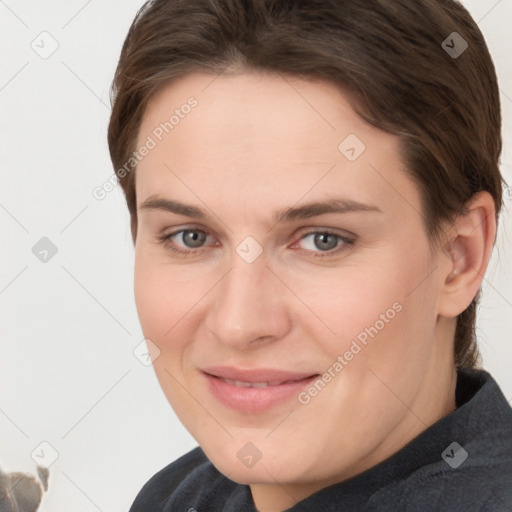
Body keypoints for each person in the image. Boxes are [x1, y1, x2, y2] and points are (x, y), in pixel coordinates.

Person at [107, 0, 512, 510]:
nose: (239, 323)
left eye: (323, 239)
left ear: (460, 257)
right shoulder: (179, 496)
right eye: (191, 237)